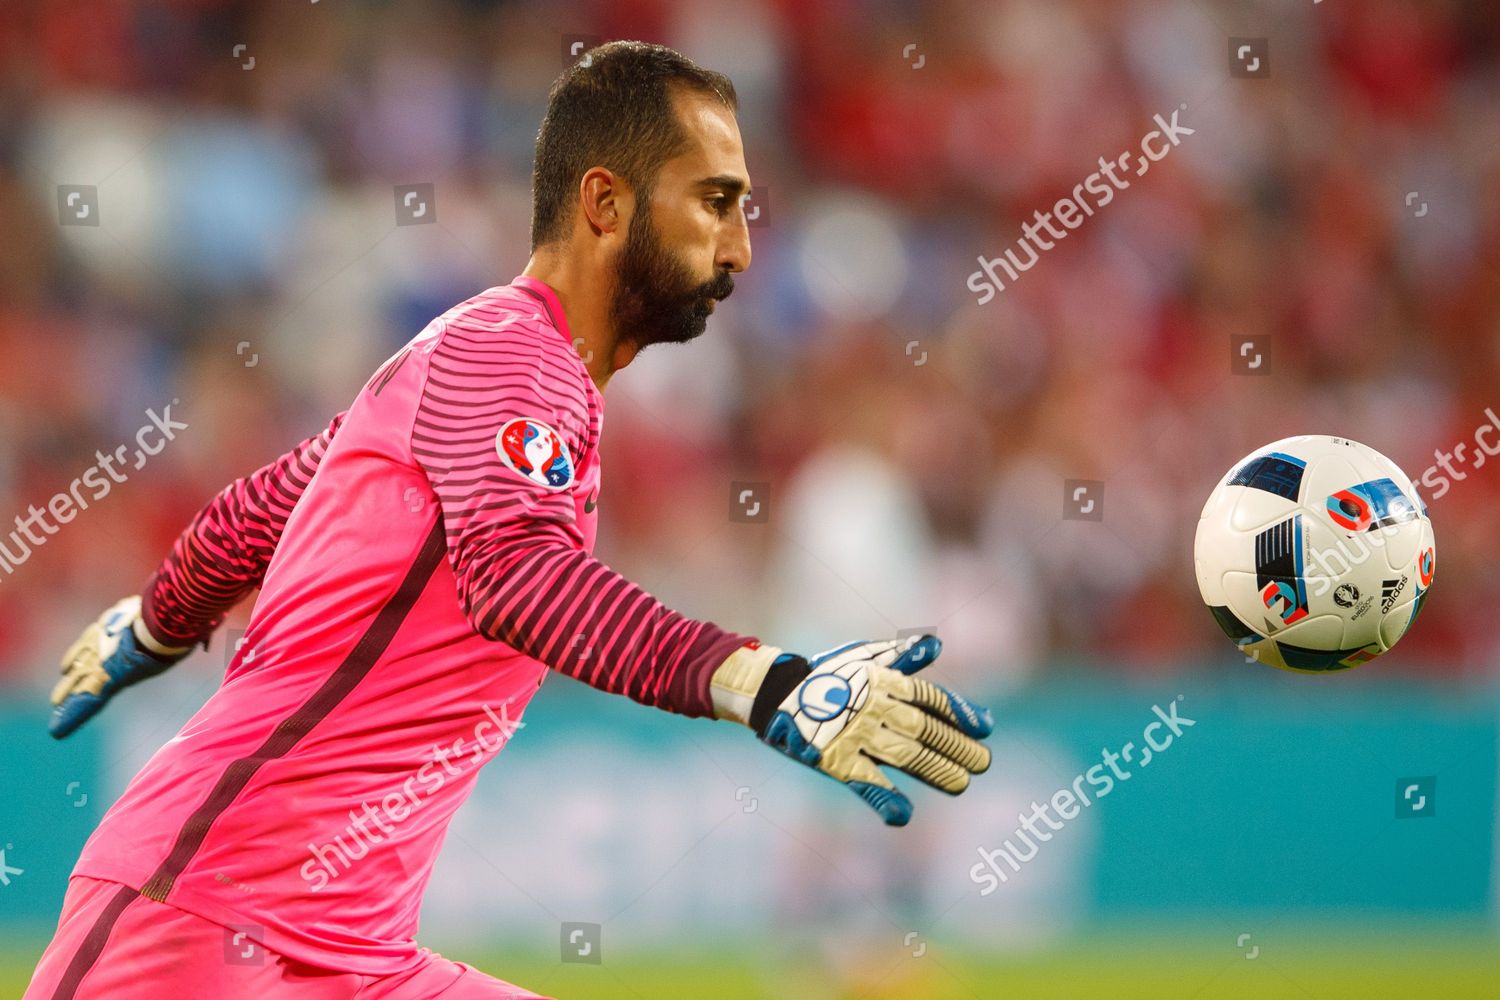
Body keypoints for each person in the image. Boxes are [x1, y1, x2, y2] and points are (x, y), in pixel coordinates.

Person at [27, 41, 994, 1000]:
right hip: (200, 920)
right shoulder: (509, 360)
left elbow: (256, 514)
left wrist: (150, 629)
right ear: (605, 204)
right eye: (715, 201)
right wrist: (767, 683)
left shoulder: (485, 367)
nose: (740, 246)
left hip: (353, 957)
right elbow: (517, 578)